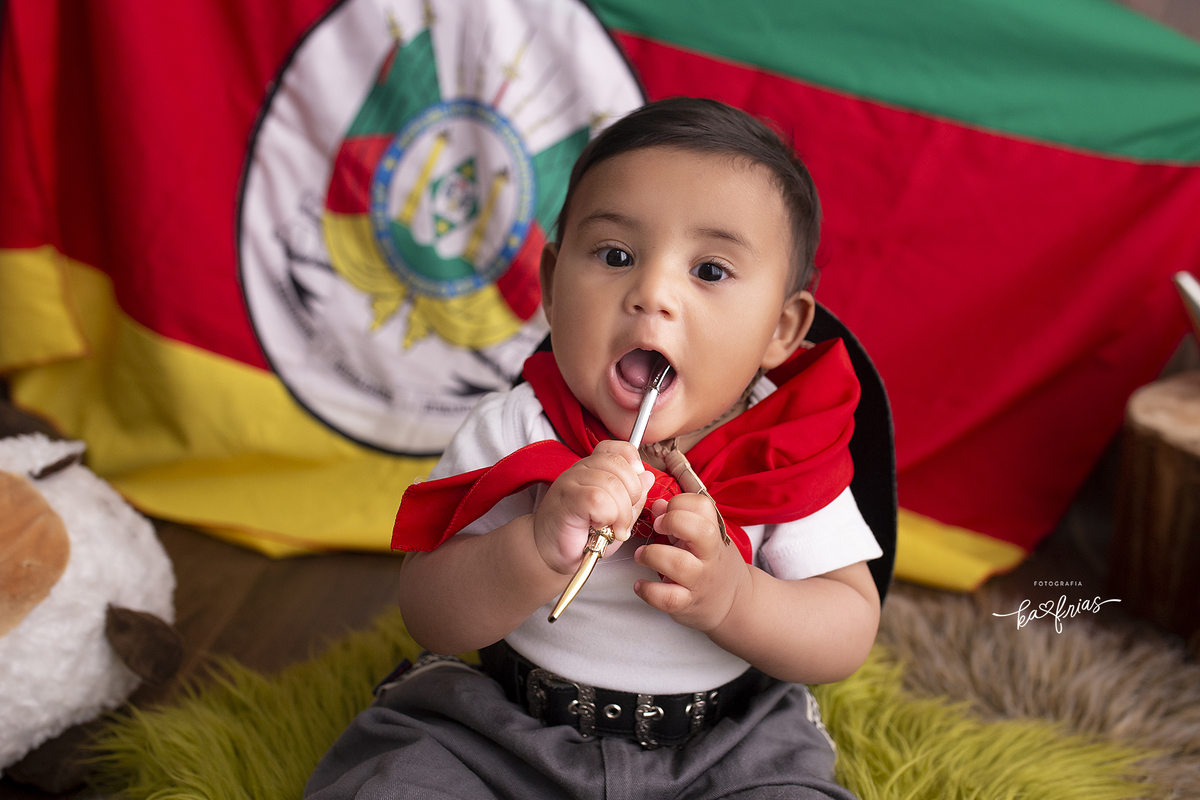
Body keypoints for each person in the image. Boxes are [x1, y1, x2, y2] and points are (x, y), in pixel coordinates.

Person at [307, 97, 883, 799]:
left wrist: (738, 599)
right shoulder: (519, 428)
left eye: (710, 271)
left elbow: (848, 626)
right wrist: (534, 547)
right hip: (508, 729)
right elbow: (429, 610)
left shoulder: (782, 451)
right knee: (399, 785)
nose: (652, 294)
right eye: (616, 256)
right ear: (552, 285)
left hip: (723, 748)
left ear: (782, 329)